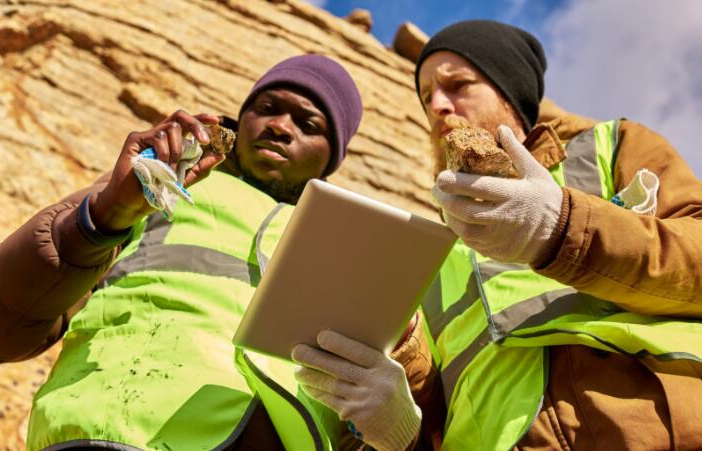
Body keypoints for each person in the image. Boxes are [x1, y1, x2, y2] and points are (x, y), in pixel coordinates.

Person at [293, 20, 702, 450]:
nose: (438, 106)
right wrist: (400, 433)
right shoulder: (426, 250)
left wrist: (562, 227)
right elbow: (430, 423)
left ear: (510, 92)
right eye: (427, 95)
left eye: (458, 85)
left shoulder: (608, 146)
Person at [0, 54, 372, 450]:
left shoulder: (348, 246)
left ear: (331, 160)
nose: (280, 127)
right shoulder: (158, 184)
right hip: (114, 432)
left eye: (308, 125)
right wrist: (103, 217)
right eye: (267, 109)